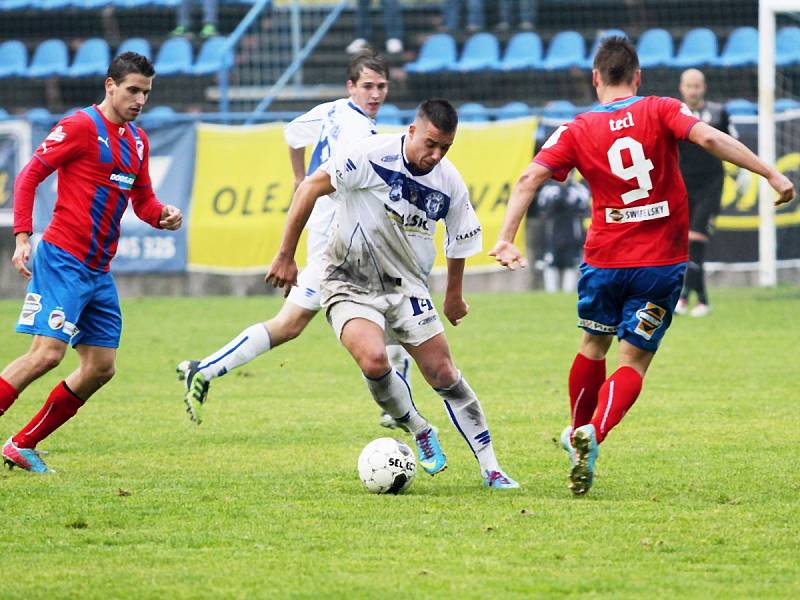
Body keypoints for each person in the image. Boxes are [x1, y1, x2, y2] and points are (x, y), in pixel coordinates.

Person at [490, 37, 794, 496]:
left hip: (605, 262)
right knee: (633, 360)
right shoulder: (660, 108)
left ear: (596, 79)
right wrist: (770, 173)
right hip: (661, 262)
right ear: (637, 77)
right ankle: (597, 432)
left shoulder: (575, 128)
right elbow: (709, 137)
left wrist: (505, 238)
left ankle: (577, 434)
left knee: (593, 344)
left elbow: (531, 176)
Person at [266, 99, 519, 489]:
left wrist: (454, 296)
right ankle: (418, 427)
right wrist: (286, 255)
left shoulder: (448, 181)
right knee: (373, 359)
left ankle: (492, 468)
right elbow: (310, 188)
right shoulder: (371, 155)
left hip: (408, 287)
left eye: (445, 148)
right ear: (412, 131)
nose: (435, 156)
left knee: (444, 374)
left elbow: (460, 240)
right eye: (431, 144)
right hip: (348, 279)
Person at [177, 50, 415, 431]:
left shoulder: (332, 111)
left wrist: (298, 178)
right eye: (367, 86)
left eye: (381, 86)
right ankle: (396, 404)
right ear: (351, 86)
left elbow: (292, 134)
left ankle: (203, 368)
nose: (375, 94)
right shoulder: (360, 134)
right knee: (388, 309)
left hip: (334, 239)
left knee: (294, 323)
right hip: (337, 247)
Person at [1, 52, 183, 473]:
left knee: (101, 367)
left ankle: (22, 444)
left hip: (98, 271)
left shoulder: (137, 141)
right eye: (133, 90)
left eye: (146, 93)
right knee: (46, 354)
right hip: (63, 259)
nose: (140, 100)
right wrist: (23, 236)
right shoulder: (81, 126)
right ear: (110, 86)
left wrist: (163, 216)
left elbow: (143, 201)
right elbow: (30, 175)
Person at [675, 68, 735, 317]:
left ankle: (683, 298)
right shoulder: (674, 113)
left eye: (697, 85)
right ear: (681, 88)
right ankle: (702, 300)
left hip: (711, 186)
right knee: (687, 245)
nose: (693, 90)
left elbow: (731, 144)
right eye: (689, 86)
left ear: (704, 87)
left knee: (696, 238)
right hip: (684, 186)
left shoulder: (719, 113)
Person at [534, 172, 589, 293]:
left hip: (572, 234)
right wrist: (559, 193)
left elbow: (583, 206)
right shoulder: (548, 189)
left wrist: (567, 193)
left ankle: (567, 293)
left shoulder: (578, 189)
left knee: (572, 265)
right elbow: (543, 207)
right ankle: (551, 295)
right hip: (553, 234)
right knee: (550, 264)